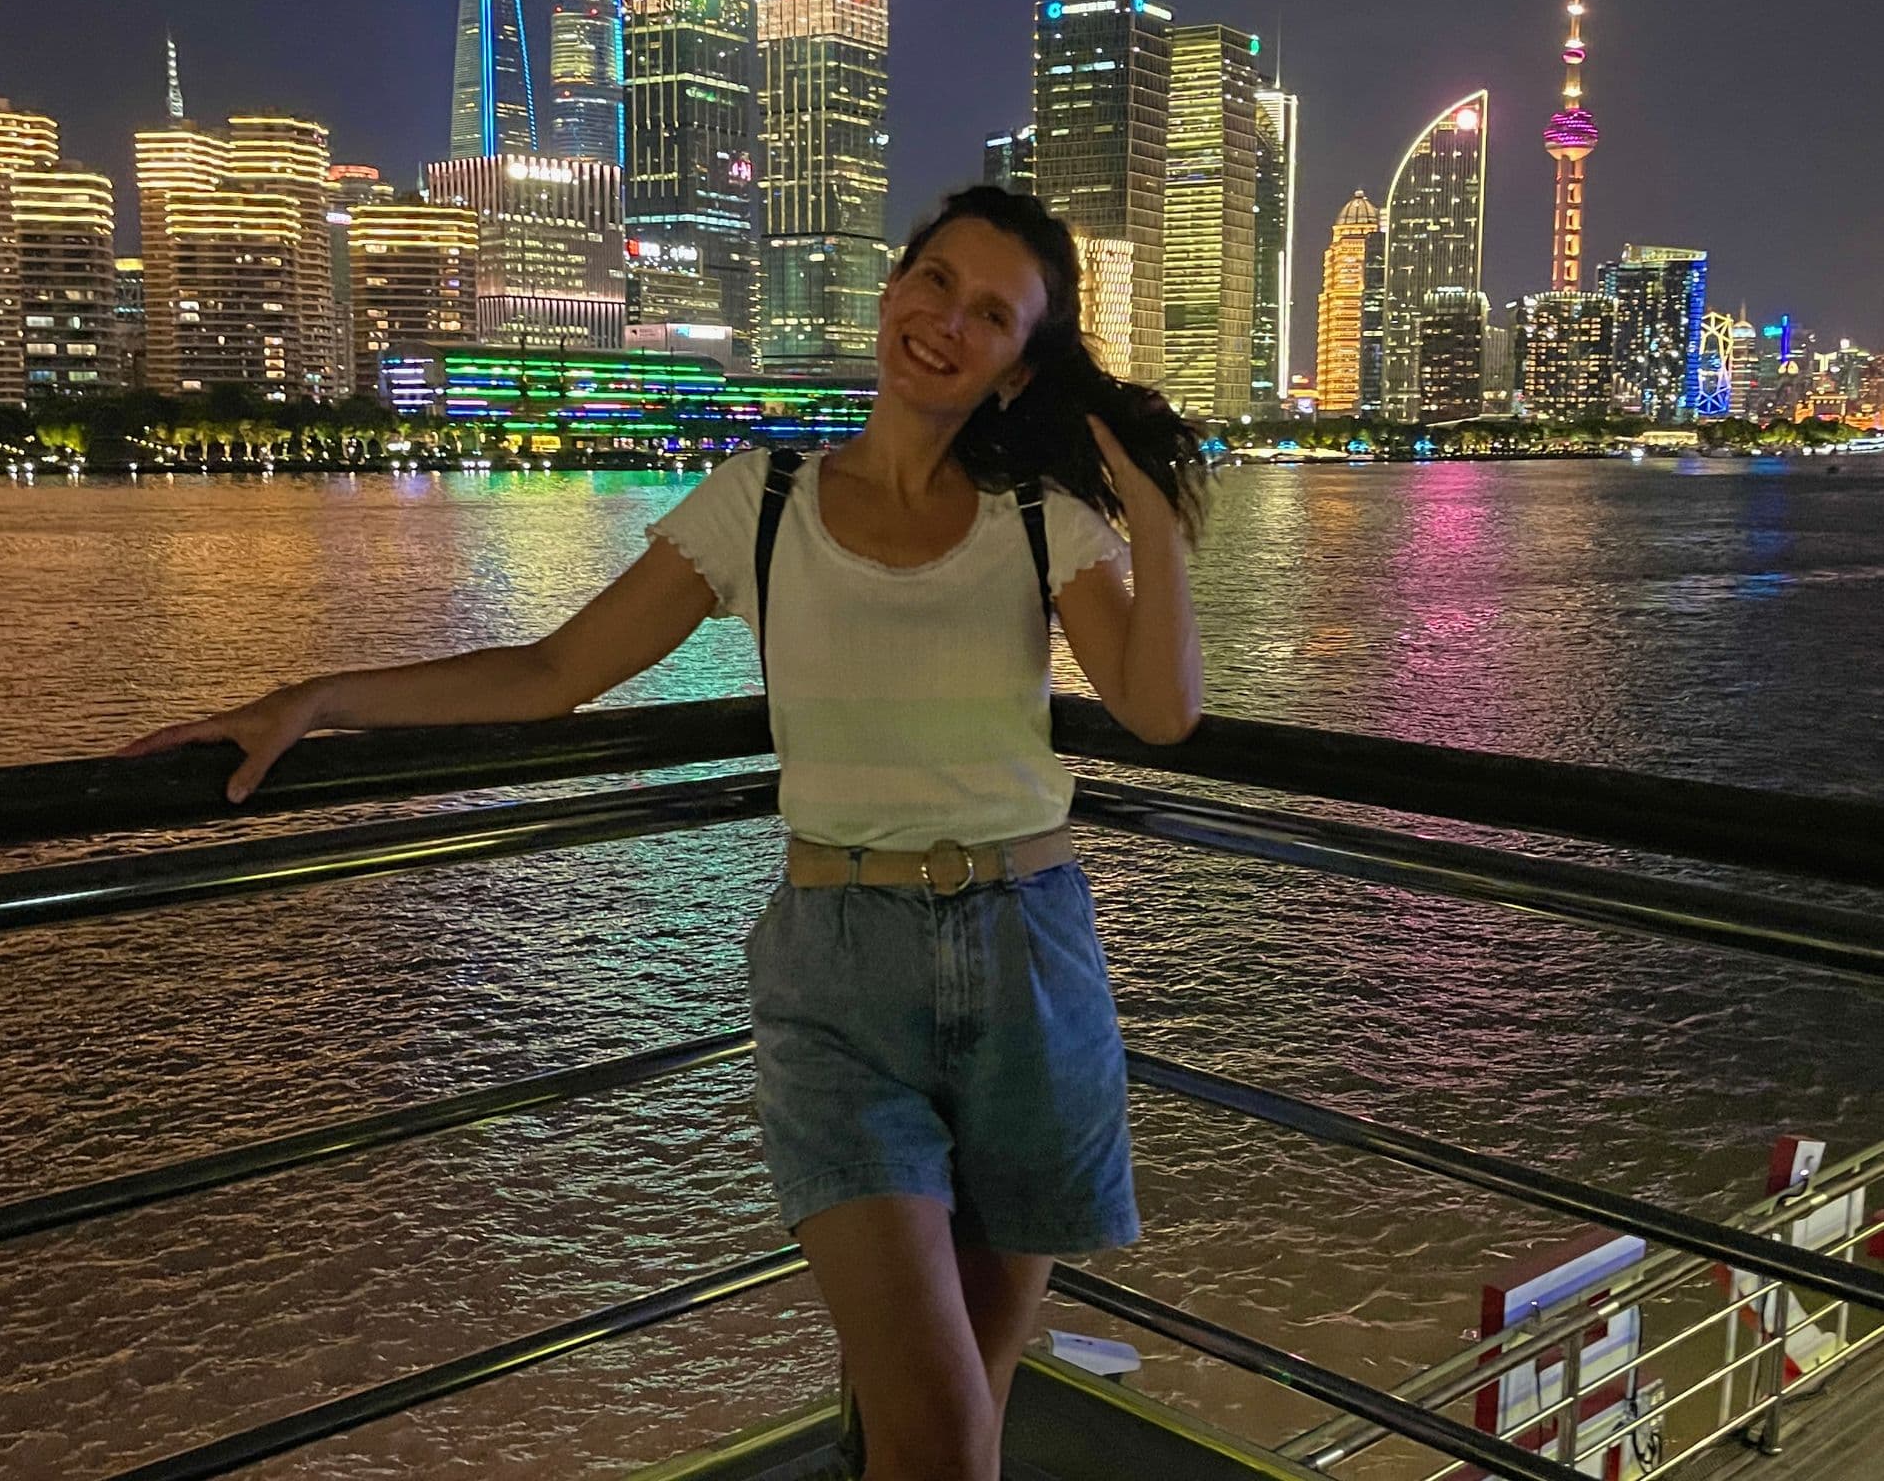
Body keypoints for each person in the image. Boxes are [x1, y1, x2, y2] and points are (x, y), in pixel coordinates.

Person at [122, 184, 1206, 1481]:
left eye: (988, 313)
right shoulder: (763, 501)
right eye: (933, 281)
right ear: (890, 287)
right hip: (839, 973)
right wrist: (319, 697)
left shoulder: (1043, 520)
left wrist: (1152, 512)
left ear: (1017, 362)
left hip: (1030, 958)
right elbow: (551, 671)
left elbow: (1155, 709)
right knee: (935, 1433)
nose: (943, 321)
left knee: (965, 1400)